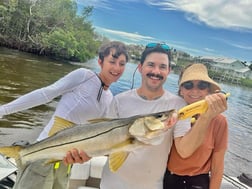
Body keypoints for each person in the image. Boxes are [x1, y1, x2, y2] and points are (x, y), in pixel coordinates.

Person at [65, 43, 228, 189]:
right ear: (140, 67)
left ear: (168, 71)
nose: (156, 71)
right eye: (151, 65)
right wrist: (84, 154)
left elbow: (184, 151)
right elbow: (107, 146)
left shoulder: (177, 106)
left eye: (162, 67)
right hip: (110, 184)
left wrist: (206, 117)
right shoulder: (119, 101)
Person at [0, 41, 129, 189]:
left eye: (122, 64)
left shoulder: (110, 98)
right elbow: (45, 94)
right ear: (100, 61)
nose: (117, 68)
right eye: (112, 61)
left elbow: (96, 136)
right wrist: (3, 110)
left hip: (66, 164)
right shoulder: (83, 76)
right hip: (43, 155)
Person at [163, 63, 228, 189]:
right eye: (188, 85)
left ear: (208, 90)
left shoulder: (219, 121)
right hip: (169, 178)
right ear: (181, 90)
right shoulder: (171, 114)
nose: (195, 91)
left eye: (202, 85)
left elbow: (217, 167)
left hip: (198, 181)